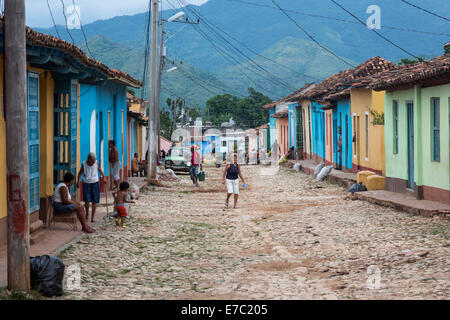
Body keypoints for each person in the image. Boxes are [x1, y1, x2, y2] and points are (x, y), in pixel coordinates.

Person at [77, 152, 105, 223]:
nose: (93, 162)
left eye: (94, 161)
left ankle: (92, 217)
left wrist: (104, 178)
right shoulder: (84, 164)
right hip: (86, 183)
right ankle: (87, 214)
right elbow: (79, 173)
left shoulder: (96, 162)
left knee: (95, 200)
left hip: (95, 183)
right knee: (87, 200)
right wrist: (78, 181)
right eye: (92, 161)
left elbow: (100, 170)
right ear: (88, 159)